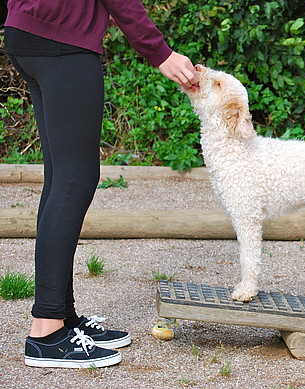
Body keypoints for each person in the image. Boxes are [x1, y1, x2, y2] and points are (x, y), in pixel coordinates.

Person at [3, 0, 196, 368]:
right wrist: (160, 52)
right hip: (62, 39)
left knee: (61, 177)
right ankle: (45, 332)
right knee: (75, 179)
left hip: (28, 31)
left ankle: (60, 317)